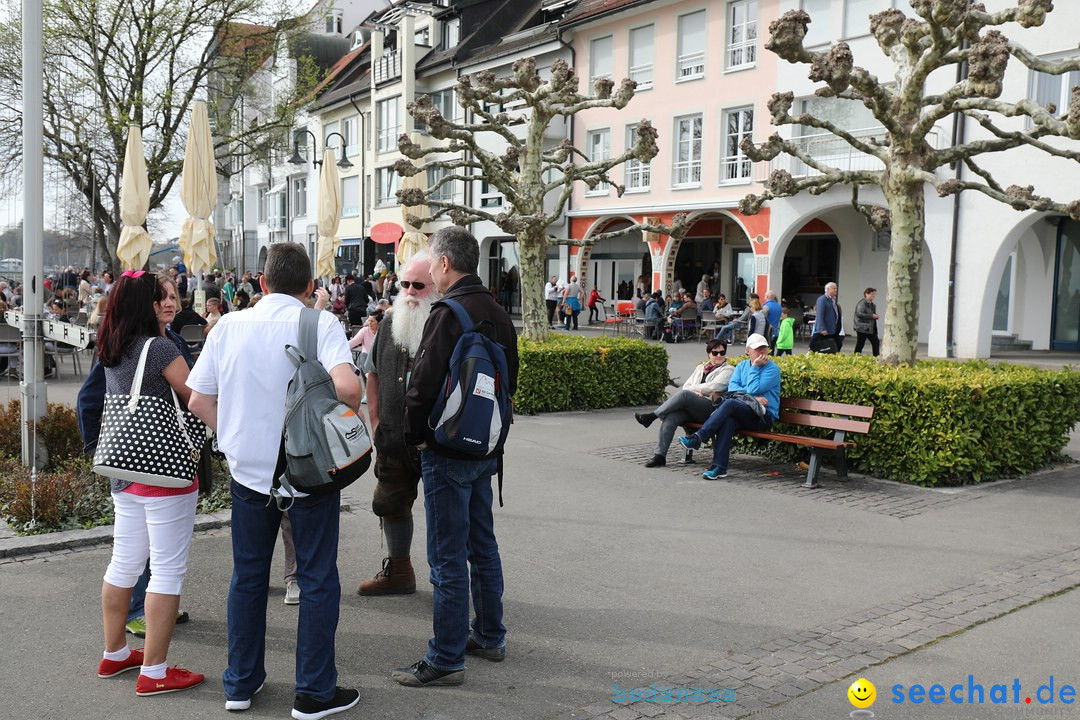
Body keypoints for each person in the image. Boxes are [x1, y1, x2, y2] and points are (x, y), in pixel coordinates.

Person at [186, 243, 361, 717]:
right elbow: (348, 388)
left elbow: (199, 401)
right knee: (318, 579)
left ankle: (239, 685)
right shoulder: (318, 322)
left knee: (247, 578)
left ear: (261, 283)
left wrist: (236, 434)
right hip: (307, 472)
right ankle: (314, 691)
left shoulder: (229, 327)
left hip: (249, 475)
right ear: (310, 287)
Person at [396, 226, 519, 687]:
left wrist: (417, 438)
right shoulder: (498, 313)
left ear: (445, 264)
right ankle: (490, 634)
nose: (427, 267)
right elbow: (511, 383)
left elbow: (422, 384)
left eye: (431, 260)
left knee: (445, 557)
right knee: (482, 544)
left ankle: (445, 658)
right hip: (486, 447)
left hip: (446, 449)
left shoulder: (448, 312)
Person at [94, 271, 204, 696]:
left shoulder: (113, 345)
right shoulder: (158, 348)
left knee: (124, 562)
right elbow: (195, 396)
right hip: (165, 474)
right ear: (145, 305)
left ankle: (115, 653)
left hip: (125, 473)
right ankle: (155, 673)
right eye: (160, 298)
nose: (168, 303)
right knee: (167, 571)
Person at [357, 253, 436, 596]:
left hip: (435, 441)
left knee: (444, 514)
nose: (409, 292)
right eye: (405, 284)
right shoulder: (389, 322)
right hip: (391, 436)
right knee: (390, 503)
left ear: (436, 288)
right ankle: (399, 571)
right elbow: (371, 372)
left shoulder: (445, 323)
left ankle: (450, 584)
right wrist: (374, 419)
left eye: (419, 285)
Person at [678, 333, 781, 480]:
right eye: (757, 349)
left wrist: (756, 368)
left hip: (763, 417)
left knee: (730, 403)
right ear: (748, 351)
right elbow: (733, 389)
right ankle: (719, 467)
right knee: (728, 421)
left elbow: (751, 389)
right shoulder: (741, 366)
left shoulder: (772, 369)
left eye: (764, 348)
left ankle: (699, 437)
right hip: (745, 411)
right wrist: (752, 397)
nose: (761, 352)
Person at [634, 340, 734, 468]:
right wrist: (696, 392)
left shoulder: (728, 370)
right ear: (709, 354)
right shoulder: (700, 368)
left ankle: (652, 416)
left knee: (685, 395)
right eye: (715, 353)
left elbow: (715, 386)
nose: (719, 355)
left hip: (711, 408)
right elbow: (687, 385)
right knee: (671, 417)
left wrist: (695, 391)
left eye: (722, 352)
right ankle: (659, 456)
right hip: (693, 407)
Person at [813, 281, 843, 353]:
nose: (836, 290)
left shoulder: (833, 300)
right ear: (828, 289)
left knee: (837, 345)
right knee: (825, 346)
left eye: (836, 288)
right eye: (834, 288)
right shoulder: (822, 300)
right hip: (826, 329)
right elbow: (820, 315)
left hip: (833, 329)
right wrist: (822, 328)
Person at [853, 287, 880, 356]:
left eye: (874, 294)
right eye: (872, 294)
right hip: (863, 327)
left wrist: (874, 316)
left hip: (870, 327)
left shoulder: (872, 305)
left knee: (876, 342)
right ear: (866, 294)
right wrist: (872, 316)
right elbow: (859, 313)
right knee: (860, 343)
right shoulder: (862, 303)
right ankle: (856, 357)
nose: (873, 296)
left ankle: (876, 356)